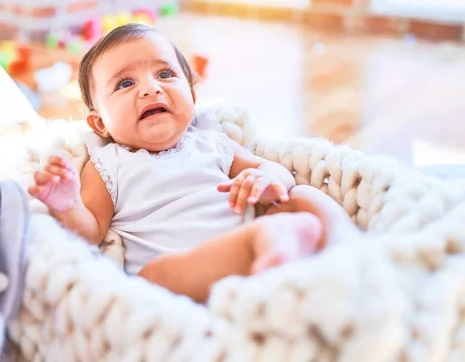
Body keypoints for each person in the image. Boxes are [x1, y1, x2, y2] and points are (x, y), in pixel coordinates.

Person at [29, 24, 358, 303]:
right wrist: (68, 204)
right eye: (125, 84)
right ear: (100, 124)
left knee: (300, 195)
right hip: (178, 280)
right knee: (150, 277)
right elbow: (91, 230)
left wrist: (266, 179)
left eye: (165, 73)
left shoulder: (212, 142)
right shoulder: (106, 164)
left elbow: (276, 174)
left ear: (193, 96)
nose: (151, 88)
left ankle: (350, 248)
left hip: (252, 244)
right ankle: (280, 254)